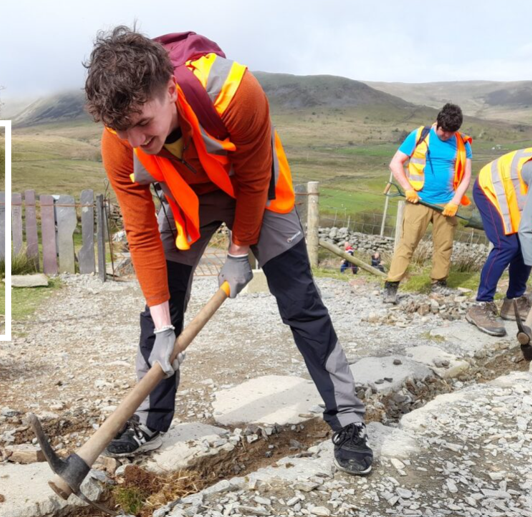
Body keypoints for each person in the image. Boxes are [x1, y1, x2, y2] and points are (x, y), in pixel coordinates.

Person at [84, 27, 372, 475]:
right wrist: (164, 327)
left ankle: (348, 420)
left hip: (254, 191)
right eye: (124, 130)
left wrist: (239, 251)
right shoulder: (118, 141)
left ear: (172, 90)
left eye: (144, 123)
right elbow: (140, 234)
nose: (136, 140)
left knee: (301, 305)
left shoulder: (237, 93)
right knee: (158, 313)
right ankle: (149, 422)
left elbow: (256, 181)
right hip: (188, 203)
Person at [465, 147, 532, 336]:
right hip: (493, 187)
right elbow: (527, 228)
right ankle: (481, 305)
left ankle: (513, 302)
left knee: (528, 246)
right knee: (507, 245)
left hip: (517, 192)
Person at [382, 104, 473, 304]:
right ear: (438, 122)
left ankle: (439, 284)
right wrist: (407, 188)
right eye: (443, 131)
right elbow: (395, 163)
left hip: (447, 204)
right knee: (408, 244)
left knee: (444, 246)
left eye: (451, 132)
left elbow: (466, 175)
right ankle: (391, 286)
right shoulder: (420, 135)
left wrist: (455, 201)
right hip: (419, 201)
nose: (446, 135)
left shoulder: (462, 142)